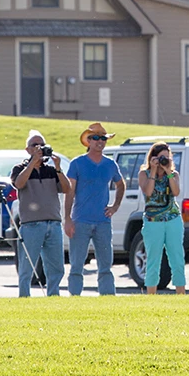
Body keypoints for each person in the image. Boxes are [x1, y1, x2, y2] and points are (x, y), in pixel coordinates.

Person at [65, 122, 125, 296]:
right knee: (77, 265)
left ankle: (107, 298)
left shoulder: (110, 164)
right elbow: (70, 192)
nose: (100, 141)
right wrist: (68, 219)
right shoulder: (77, 163)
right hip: (80, 221)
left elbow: (121, 185)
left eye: (103, 138)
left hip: (103, 222)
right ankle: (74, 298)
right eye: (96, 138)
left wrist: (115, 206)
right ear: (88, 141)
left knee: (105, 265)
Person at [11, 130, 69, 297]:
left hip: (53, 223)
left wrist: (58, 168)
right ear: (27, 150)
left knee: (56, 267)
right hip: (31, 225)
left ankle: (53, 296)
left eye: (42, 145)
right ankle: (24, 297)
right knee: (26, 266)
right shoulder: (20, 168)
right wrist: (32, 163)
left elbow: (66, 189)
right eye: (35, 145)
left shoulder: (51, 170)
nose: (39, 148)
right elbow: (19, 184)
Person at [138, 142, 186, 295]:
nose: (164, 159)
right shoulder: (144, 174)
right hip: (153, 222)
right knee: (153, 259)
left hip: (173, 220)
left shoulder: (174, 174)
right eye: (160, 157)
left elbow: (176, 192)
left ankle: (181, 293)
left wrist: (168, 171)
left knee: (177, 258)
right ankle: (151, 295)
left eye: (167, 156)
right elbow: (149, 192)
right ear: (153, 158)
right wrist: (153, 170)